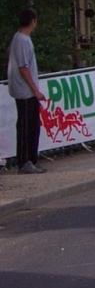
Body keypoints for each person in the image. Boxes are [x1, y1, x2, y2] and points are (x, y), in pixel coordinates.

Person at [7, 9, 47, 175]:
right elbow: (23, 68)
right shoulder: (22, 40)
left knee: (33, 125)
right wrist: (35, 90)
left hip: (26, 90)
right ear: (33, 21)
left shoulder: (21, 39)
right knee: (25, 126)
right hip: (25, 91)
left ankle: (31, 159)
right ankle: (24, 161)